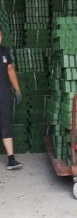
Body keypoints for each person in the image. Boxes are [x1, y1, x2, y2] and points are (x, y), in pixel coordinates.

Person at [0, 28, 22, 170]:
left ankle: (11, 160)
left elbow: (10, 70)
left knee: (6, 125)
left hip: (4, 96)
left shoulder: (5, 52)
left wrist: (17, 89)